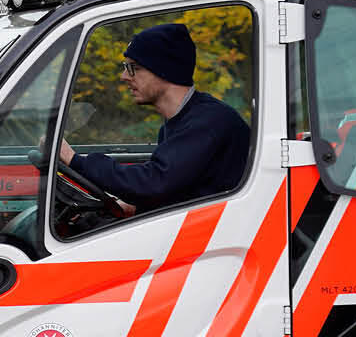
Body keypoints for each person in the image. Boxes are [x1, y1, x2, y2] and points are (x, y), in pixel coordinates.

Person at [54, 23, 251, 211]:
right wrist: (134, 206)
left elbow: (154, 183)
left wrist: (75, 160)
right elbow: (177, 189)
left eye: (134, 68)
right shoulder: (179, 122)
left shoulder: (209, 122)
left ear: (164, 70)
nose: (124, 76)